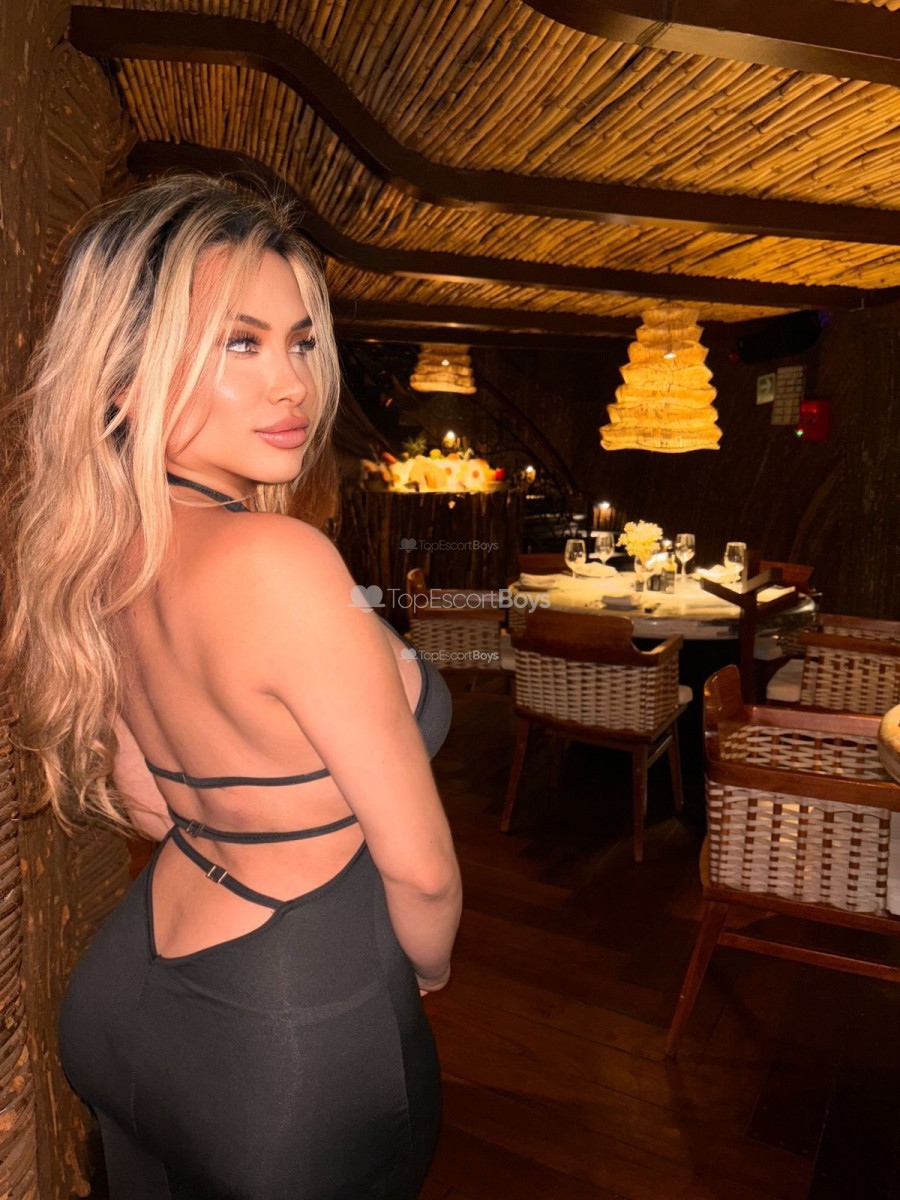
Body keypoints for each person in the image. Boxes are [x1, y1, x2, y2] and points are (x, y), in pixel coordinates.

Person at [1, 175, 462, 1198]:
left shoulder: (102, 551)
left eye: (301, 341)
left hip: (129, 992)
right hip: (282, 1039)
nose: (291, 384)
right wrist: (425, 968)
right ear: (122, 376)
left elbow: (148, 800)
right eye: (239, 343)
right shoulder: (282, 561)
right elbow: (423, 870)